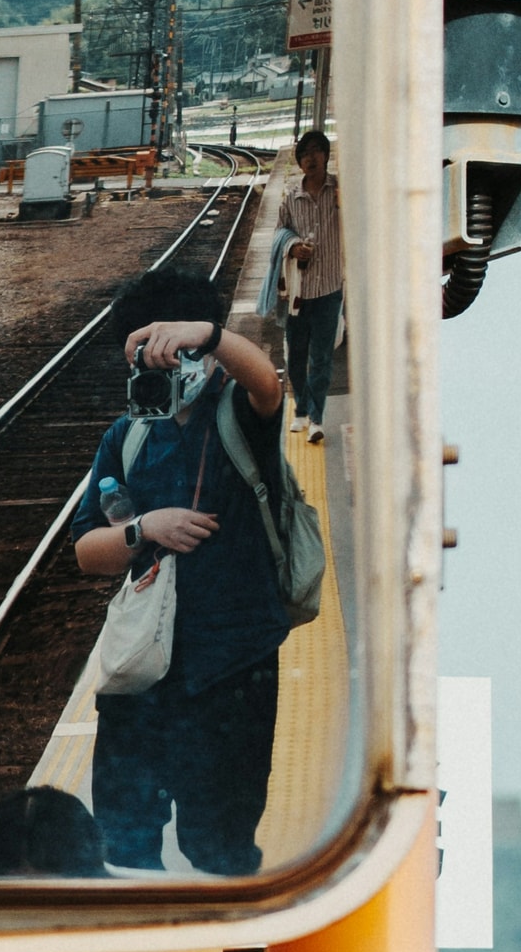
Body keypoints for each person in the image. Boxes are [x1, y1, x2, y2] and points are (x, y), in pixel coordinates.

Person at [73, 289, 299, 876]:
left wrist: (210, 333)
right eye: (144, 364)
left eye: (172, 358)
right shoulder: (126, 435)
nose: (158, 375)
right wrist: (145, 527)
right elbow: (87, 553)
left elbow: (268, 385)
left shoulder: (238, 416)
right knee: (123, 843)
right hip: (142, 671)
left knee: (219, 844)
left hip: (232, 669)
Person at [277, 128, 345, 427]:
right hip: (299, 292)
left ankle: (315, 418)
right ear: (300, 162)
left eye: (317, 151)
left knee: (321, 358)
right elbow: (280, 234)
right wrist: (293, 248)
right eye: (305, 154)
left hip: (330, 288)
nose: (311, 158)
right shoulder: (291, 198)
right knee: (296, 355)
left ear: (327, 156)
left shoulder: (341, 192)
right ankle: (302, 408)